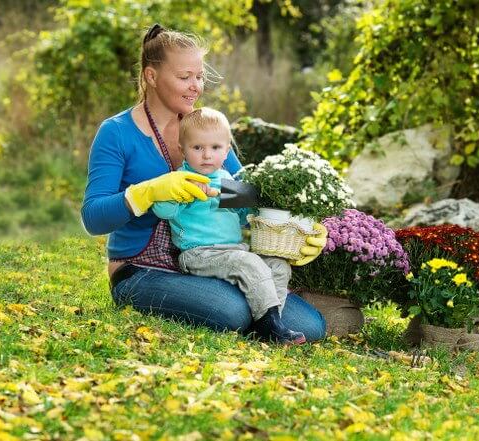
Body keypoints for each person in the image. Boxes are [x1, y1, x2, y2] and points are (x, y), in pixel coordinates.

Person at [81, 24, 328, 341]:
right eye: (184, 77)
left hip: (218, 258)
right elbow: (93, 217)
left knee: (310, 325)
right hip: (142, 271)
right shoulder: (116, 132)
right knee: (234, 312)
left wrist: (297, 225)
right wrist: (147, 192)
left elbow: (244, 194)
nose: (195, 86)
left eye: (199, 76)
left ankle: (269, 325)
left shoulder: (207, 130)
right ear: (151, 77)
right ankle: (256, 318)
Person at [151, 107, 305, 344]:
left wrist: (258, 201)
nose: (206, 155)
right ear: (182, 150)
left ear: (226, 152)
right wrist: (180, 194)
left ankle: (269, 325)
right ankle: (270, 327)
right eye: (197, 148)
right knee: (248, 263)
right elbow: (163, 210)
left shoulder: (228, 181)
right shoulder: (182, 180)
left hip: (233, 251)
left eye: (215, 148)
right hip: (199, 254)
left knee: (279, 265)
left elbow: (244, 217)